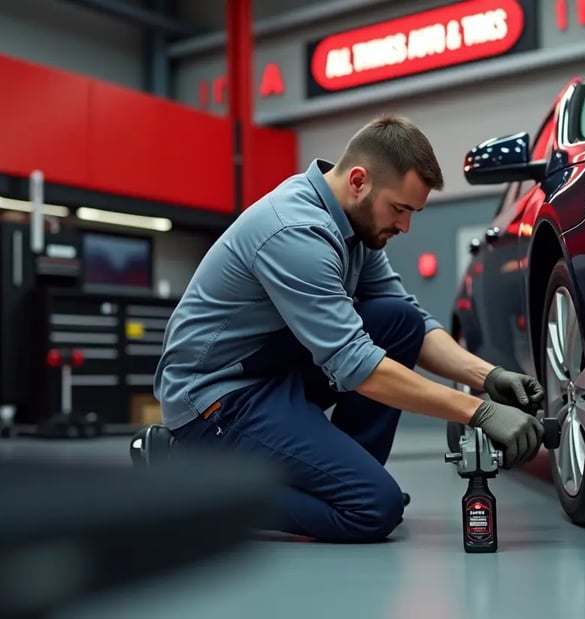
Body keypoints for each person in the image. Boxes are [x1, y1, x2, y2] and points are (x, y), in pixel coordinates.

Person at [154, 115, 545, 543]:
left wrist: (488, 376)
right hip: (218, 399)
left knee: (398, 321)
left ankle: (342, 478)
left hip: (269, 373)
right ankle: (197, 483)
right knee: (372, 508)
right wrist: (479, 411)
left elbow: (410, 321)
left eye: (413, 212)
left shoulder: (355, 227)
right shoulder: (294, 232)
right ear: (358, 181)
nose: (405, 226)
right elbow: (358, 365)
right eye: (399, 209)